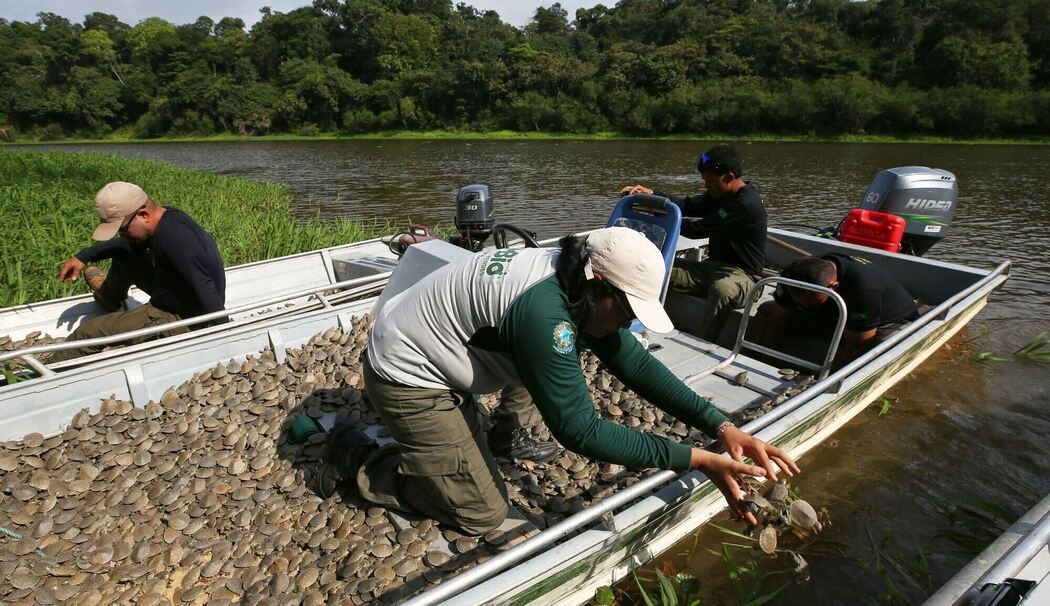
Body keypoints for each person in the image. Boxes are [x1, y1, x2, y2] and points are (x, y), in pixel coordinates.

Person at [318, 226, 798, 535]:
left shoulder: (572, 282)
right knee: (480, 514)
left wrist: (721, 427)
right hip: (408, 374)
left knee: (566, 350)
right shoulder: (545, 315)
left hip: (447, 338)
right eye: (627, 311)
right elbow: (580, 431)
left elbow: (631, 361)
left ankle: (504, 436)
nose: (629, 324)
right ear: (598, 283)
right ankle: (359, 455)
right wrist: (697, 460)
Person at [50, 181, 226, 363]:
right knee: (126, 254)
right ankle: (109, 297)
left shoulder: (174, 237)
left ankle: (40, 377)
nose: (122, 235)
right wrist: (84, 256)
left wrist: (227, 333)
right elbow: (125, 245)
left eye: (123, 230)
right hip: (176, 294)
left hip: (179, 316)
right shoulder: (165, 217)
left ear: (143, 215)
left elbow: (204, 284)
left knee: (88, 332)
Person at [620, 144, 767, 342]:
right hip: (711, 269)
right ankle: (633, 324)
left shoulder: (744, 204)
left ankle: (706, 342)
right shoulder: (720, 194)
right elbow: (687, 205)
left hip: (744, 278)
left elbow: (699, 229)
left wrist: (657, 213)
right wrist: (652, 195)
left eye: (710, 182)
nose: (707, 187)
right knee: (655, 268)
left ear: (730, 177)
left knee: (721, 289)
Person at [750, 253, 921, 367]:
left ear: (833, 286)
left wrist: (823, 381)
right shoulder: (793, 276)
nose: (803, 304)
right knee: (766, 310)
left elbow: (857, 345)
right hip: (832, 311)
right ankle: (750, 358)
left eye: (811, 300)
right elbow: (777, 317)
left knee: (879, 350)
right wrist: (768, 360)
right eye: (797, 298)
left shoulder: (863, 288)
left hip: (885, 321)